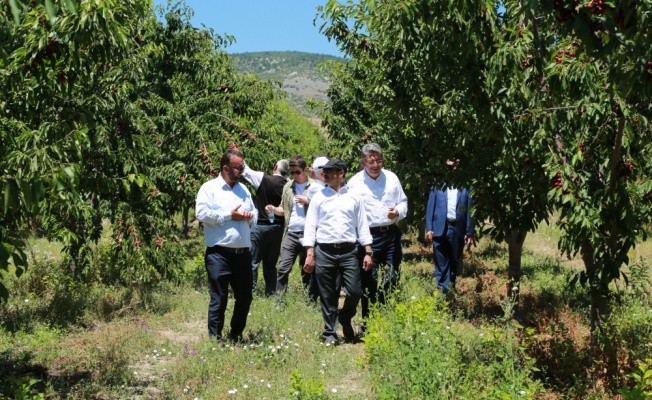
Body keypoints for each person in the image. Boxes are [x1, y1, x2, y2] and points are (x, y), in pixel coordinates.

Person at [303, 159, 373, 345]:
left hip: (350, 251)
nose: (324, 175)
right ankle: (329, 333)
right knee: (328, 294)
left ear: (341, 173)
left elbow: (362, 225)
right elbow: (310, 226)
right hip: (324, 250)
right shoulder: (318, 197)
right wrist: (310, 253)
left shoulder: (354, 196)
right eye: (323, 172)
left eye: (329, 172)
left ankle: (345, 316)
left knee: (355, 291)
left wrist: (368, 251)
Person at [195, 148, 257, 341]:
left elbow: (255, 215)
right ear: (225, 168)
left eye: (242, 167)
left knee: (245, 297)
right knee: (219, 297)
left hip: (243, 253)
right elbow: (202, 214)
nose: (241, 171)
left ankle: (236, 334)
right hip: (219, 253)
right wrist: (230, 215)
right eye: (238, 167)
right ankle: (215, 338)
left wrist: (248, 217)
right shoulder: (209, 188)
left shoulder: (244, 190)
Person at [348, 143, 408, 319]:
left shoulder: (392, 178)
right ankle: (369, 322)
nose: (375, 165)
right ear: (363, 163)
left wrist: (397, 212)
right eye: (371, 161)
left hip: (390, 234)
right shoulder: (355, 183)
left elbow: (403, 201)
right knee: (370, 281)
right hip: (368, 237)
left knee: (392, 277)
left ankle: (386, 312)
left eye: (379, 161)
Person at [269, 155, 318, 300]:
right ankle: (278, 301)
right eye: (292, 172)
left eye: (297, 172)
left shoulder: (315, 186)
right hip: (291, 233)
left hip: (308, 234)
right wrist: (272, 209)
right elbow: (283, 209)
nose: (294, 175)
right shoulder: (288, 186)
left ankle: (311, 300)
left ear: (305, 170)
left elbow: (323, 209)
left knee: (308, 269)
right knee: (283, 267)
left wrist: (307, 201)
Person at [425, 159, 475, 294]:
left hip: (457, 228)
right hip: (439, 227)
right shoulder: (437, 185)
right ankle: (442, 289)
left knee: (454, 259)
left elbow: (471, 211)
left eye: (455, 167)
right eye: (449, 167)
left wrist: (470, 231)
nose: (452, 170)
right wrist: (429, 228)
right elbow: (431, 206)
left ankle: (450, 287)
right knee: (440, 260)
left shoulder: (467, 187)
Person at [242, 159, 289, 295]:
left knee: (253, 262)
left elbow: (246, 171)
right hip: (277, 228)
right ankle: (271, 292)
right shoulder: (288, 186)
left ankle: (250, 291)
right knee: (270, 264)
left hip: (260, 227)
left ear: (275, 167)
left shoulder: (264, 179)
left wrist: (237, 152)